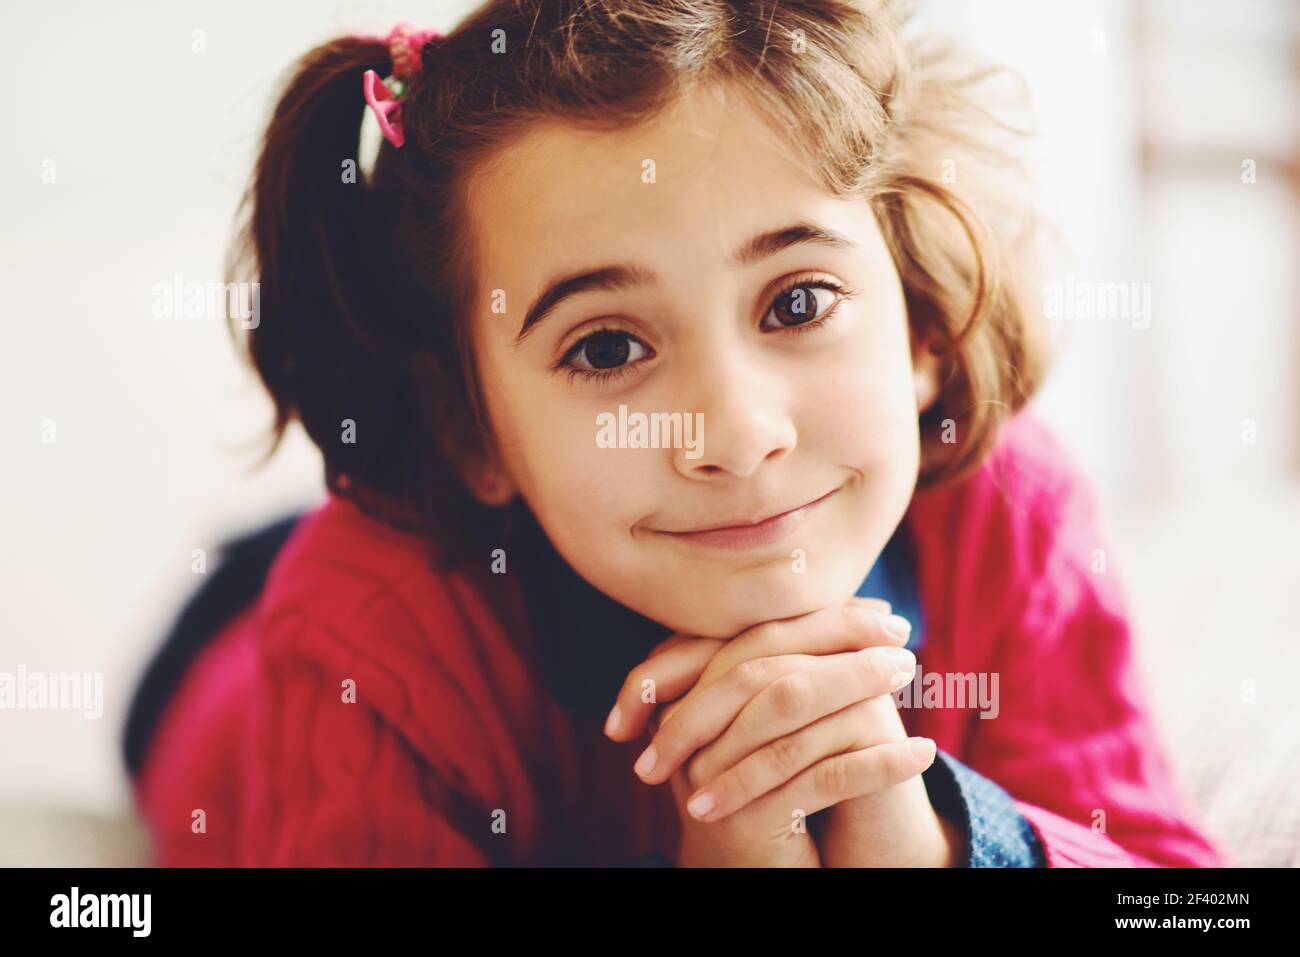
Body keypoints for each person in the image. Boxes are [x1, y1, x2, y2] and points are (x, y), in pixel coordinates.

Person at [125, 0, 1229, 867]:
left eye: (795, 304)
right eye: (606, 349)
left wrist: (933, 836)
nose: (739, 436)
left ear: (921, 329)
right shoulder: (365, 628)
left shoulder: (1010, 509)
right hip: (245, 640)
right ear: (472, 430)